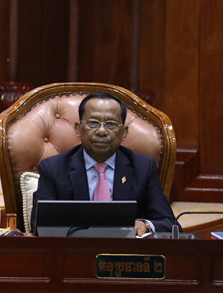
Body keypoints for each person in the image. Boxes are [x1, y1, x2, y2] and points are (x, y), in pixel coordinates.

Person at [33, 92, 178, 236]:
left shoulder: (142, 167)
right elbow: (39, 225)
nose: (101, 131)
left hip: (123, 249)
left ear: (124, 132)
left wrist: (145, 225)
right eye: (93, 123)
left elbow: (169, 224)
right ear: (78, 129)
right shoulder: (53, 168)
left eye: (110, 125)